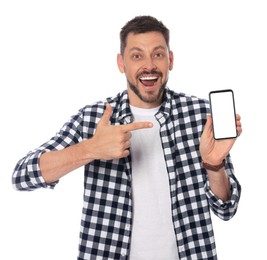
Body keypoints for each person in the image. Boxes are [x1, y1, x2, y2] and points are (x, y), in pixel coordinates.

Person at [12, 15, 242, 260]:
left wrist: (214, 166)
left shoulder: (200, 116)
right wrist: (90, 149)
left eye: (158, 54)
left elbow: (226, 209)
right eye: (137, 56)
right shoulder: (94, 118)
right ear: (121, 63)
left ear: (170, 60)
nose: (149, 65)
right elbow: (22, 176)